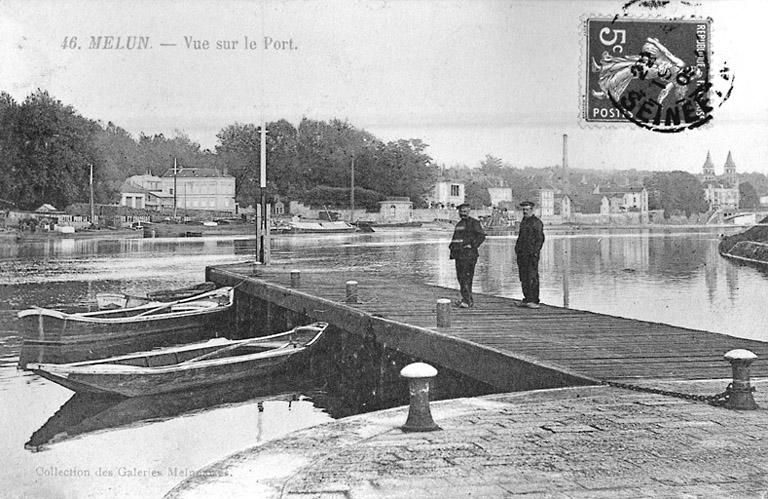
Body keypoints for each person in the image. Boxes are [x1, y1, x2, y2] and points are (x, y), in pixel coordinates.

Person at [448, 203, 486, 308]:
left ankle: (467, 301)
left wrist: (472, 245)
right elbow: (455, 239)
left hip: (469, 255)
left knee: (466, 278)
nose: (462, 214)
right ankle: (466, 299)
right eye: (461, 211)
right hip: (459, 255)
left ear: (468, 211)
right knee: (461, 278)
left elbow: (481, 236)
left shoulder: (474, 223)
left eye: (465, 211)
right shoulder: (459, 224)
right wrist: (452, 248)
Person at [515, 201, 544, 309]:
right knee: (523, 277)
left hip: (531, 254)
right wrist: (517, 249)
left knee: (532, 277)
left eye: (527, 209)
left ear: (532, 210)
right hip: (522, 254)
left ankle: (534, 300)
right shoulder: (524, 222)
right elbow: (520, 238)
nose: (525, 211)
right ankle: (527, 298)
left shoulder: (536, 222)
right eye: (523, 210)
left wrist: (535, 252)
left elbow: (540, 239)